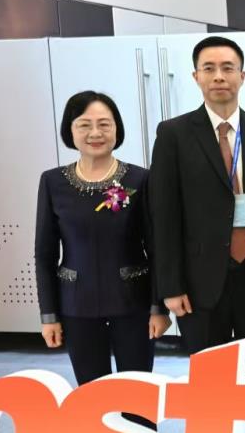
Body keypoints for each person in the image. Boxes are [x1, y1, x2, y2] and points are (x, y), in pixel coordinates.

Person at [150, 36, 245, 433]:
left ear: (243, 76)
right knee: (209, 378)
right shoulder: (173, 134)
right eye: (209, 68)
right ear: (196, 77)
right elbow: (162, 214)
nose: (219, 76)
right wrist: (169, 286)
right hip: (199, 281)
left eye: (228, 68)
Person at [35, 91, 169, 396]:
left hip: (133, 303)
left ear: (117, 130)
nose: (95, 133)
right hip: (76, 304)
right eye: (84, 125)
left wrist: (158, 308)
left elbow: (157, 249)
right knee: (92, 397)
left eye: (104, 124)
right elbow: (44, 254)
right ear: (70, 131)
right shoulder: (52, 182)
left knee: (138, 394)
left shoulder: (140, 180)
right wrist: (49, 315)